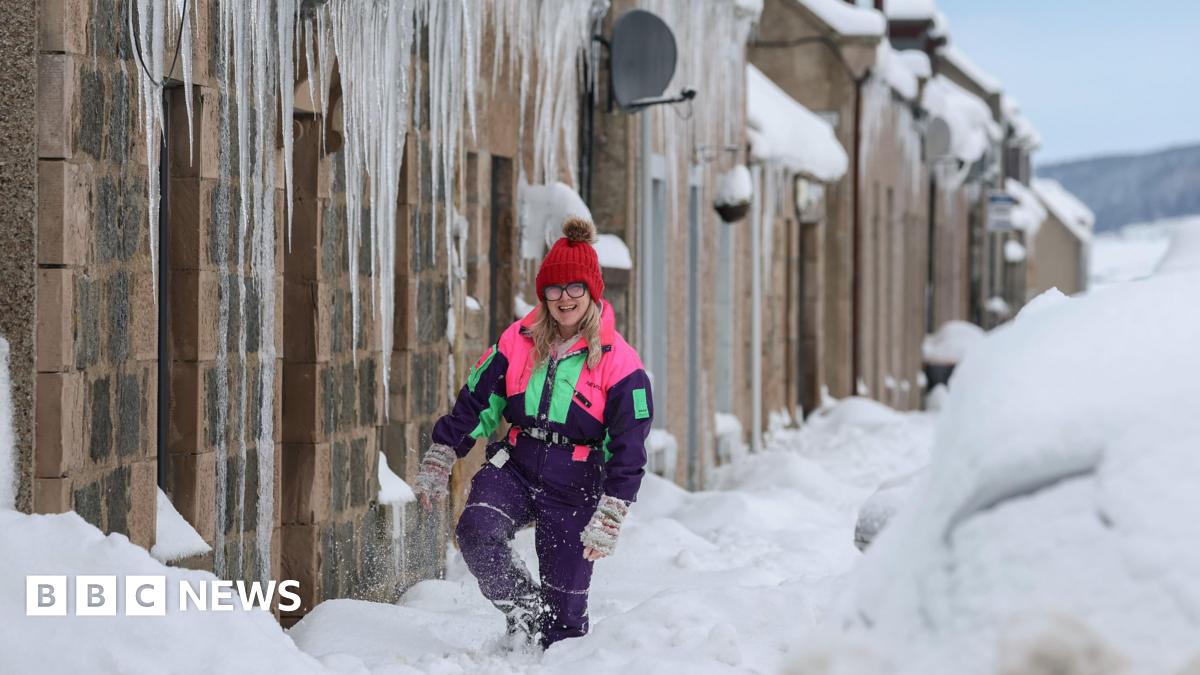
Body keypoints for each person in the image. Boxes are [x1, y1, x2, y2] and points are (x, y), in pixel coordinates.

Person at [412, 217, 653, 650]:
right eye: (554, 289)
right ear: (543, 294)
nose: (564, 298)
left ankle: (553, 646)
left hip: (576, 483)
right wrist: (443, 451)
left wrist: (613, 508)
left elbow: (629, 443)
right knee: (477, 531)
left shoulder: (620, 362)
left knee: (564, 623)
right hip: (516, 467)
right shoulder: (517, 341)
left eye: (575, 287)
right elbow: (478, 399)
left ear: (592, 292)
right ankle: (525, 609)